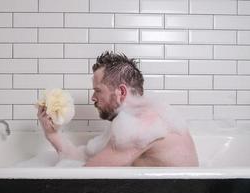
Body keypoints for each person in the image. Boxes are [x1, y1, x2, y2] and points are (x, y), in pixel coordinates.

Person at [37, 51, 198, 167]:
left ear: (121, 92)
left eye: (98, 90)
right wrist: (52, 134)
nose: (93, 97)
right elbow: (85, 159)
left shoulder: (142, 125)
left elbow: (85, 177)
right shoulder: (133, 121)